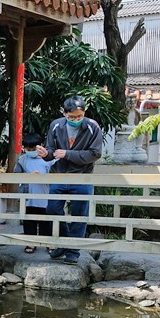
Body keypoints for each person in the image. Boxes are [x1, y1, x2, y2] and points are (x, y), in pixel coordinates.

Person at [34, 96, 103, 265]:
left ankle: (73, 252)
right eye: (72, 117)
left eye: (79, 116)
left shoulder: (93, 127)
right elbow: (51, 150)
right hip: (59, 175)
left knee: (80, 215)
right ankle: (65, 243)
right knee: (52, 211)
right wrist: (45, 154)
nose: (76, 120)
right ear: (64, 113)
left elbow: (95, 154)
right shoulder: (56, 125)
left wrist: (68, 154)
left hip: (82, 177)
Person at [14, 133, 55, 252]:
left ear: (41, 146)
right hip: (28, 197)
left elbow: (56, 175)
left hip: (45, 196)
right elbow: (15, 175)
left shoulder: (49, 159)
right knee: (29, 220)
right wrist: (27, 176)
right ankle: (30, 243)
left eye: (33, 148)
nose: (30, 151)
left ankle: (48, 243)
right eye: (27, 149)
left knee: (46, 222)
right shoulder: (22, 160)